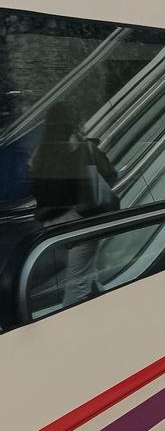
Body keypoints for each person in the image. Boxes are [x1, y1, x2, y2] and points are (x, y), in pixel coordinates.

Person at [27, 102, 118, 307]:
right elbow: (110, 174)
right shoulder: (81, 147)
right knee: (77, 286)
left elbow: (36, 188)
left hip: (52, 226)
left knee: (87, 272)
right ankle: (70, 327)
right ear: (75, 123)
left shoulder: (40, 152)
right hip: (81, 223)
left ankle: (104, 304)